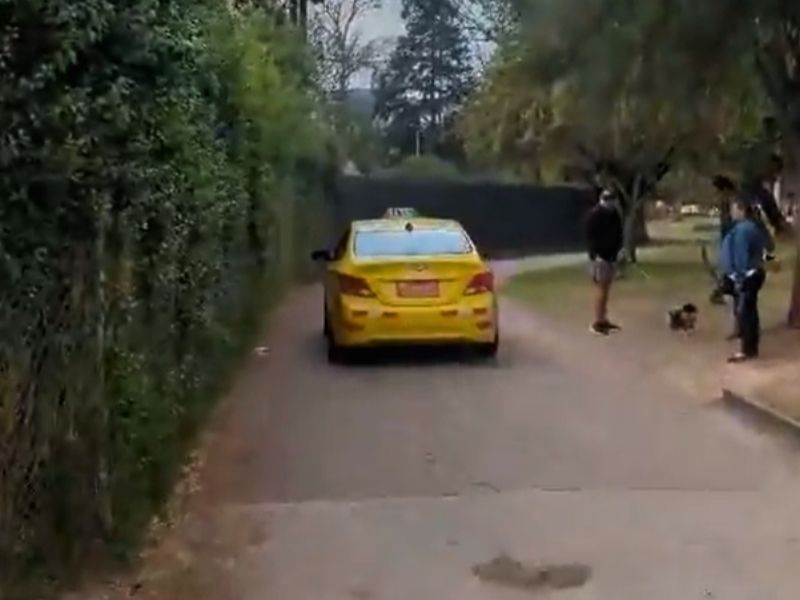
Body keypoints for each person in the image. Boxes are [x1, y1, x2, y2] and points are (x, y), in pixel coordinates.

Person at [720, 196, 767, 363]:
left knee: (746, 312)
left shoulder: (743, 230)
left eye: (734, 209)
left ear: (741, 210)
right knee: (749, 310)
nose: (732, 213)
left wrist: (739, 277)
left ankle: (748, 350)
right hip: (752, 273)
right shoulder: (749, 227)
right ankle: (750, 346)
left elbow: (741, 256)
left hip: (747, 275)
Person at [585, 190, 624, 335]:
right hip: (600, 258)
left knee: (606, 289)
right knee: (601, 289)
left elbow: (619, 233)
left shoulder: (614, 214)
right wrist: (595, 256)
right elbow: (590, 238)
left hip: (612, 256)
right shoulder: (594, 215)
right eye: (608, 200)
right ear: (603, 200)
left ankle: (603, 319)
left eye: (613, 200)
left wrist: (620, 250)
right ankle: (597, 322)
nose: (611, 203)